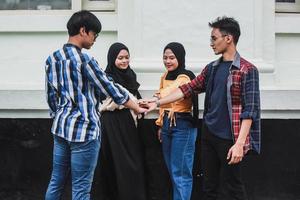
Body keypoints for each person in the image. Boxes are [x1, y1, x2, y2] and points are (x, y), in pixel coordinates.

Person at [146, 17, 261, 200]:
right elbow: (187, 89)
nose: (211, 43)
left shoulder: (247, 70)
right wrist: (157, 103)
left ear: (228, 38)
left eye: (214, 38)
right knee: (209, 188)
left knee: (233, 188)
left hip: (230, 138)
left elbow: (250, 111)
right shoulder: (212, 68)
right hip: (209, 136)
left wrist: (239, 144)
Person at [44, 11, 146, 200]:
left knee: (56, 181)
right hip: (84, 131)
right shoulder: (85, 60)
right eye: (94, 34)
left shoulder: (52, 59)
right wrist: (136, 107)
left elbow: (51, 97)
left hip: (60, 129)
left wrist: (59, 117)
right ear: (83, 31)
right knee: (81, 188)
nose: (95, 39)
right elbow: (111, 89)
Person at [144, 42, 199, 200]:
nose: (168, 61)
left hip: (183, 125)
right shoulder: (164, 76)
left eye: (172, 58)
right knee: (172, 171)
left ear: (180, 58)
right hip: (168, 125)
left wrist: (155, 98)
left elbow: (173, 91)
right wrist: (161, 125)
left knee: (181, 173)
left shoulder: (185, 76)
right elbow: (164, 105)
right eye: (165, 58)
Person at [98, 42, 147, 200]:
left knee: (131, 163)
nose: (124, 61)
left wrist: (140, 103)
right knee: (117, 162)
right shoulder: (108, 78)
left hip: (128, 123)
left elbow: (133, 98)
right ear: (112, 59)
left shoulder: (130, 76)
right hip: (112, 123)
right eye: (120, 58)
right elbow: (116, 98)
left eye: (126, 57)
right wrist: (135, 104)